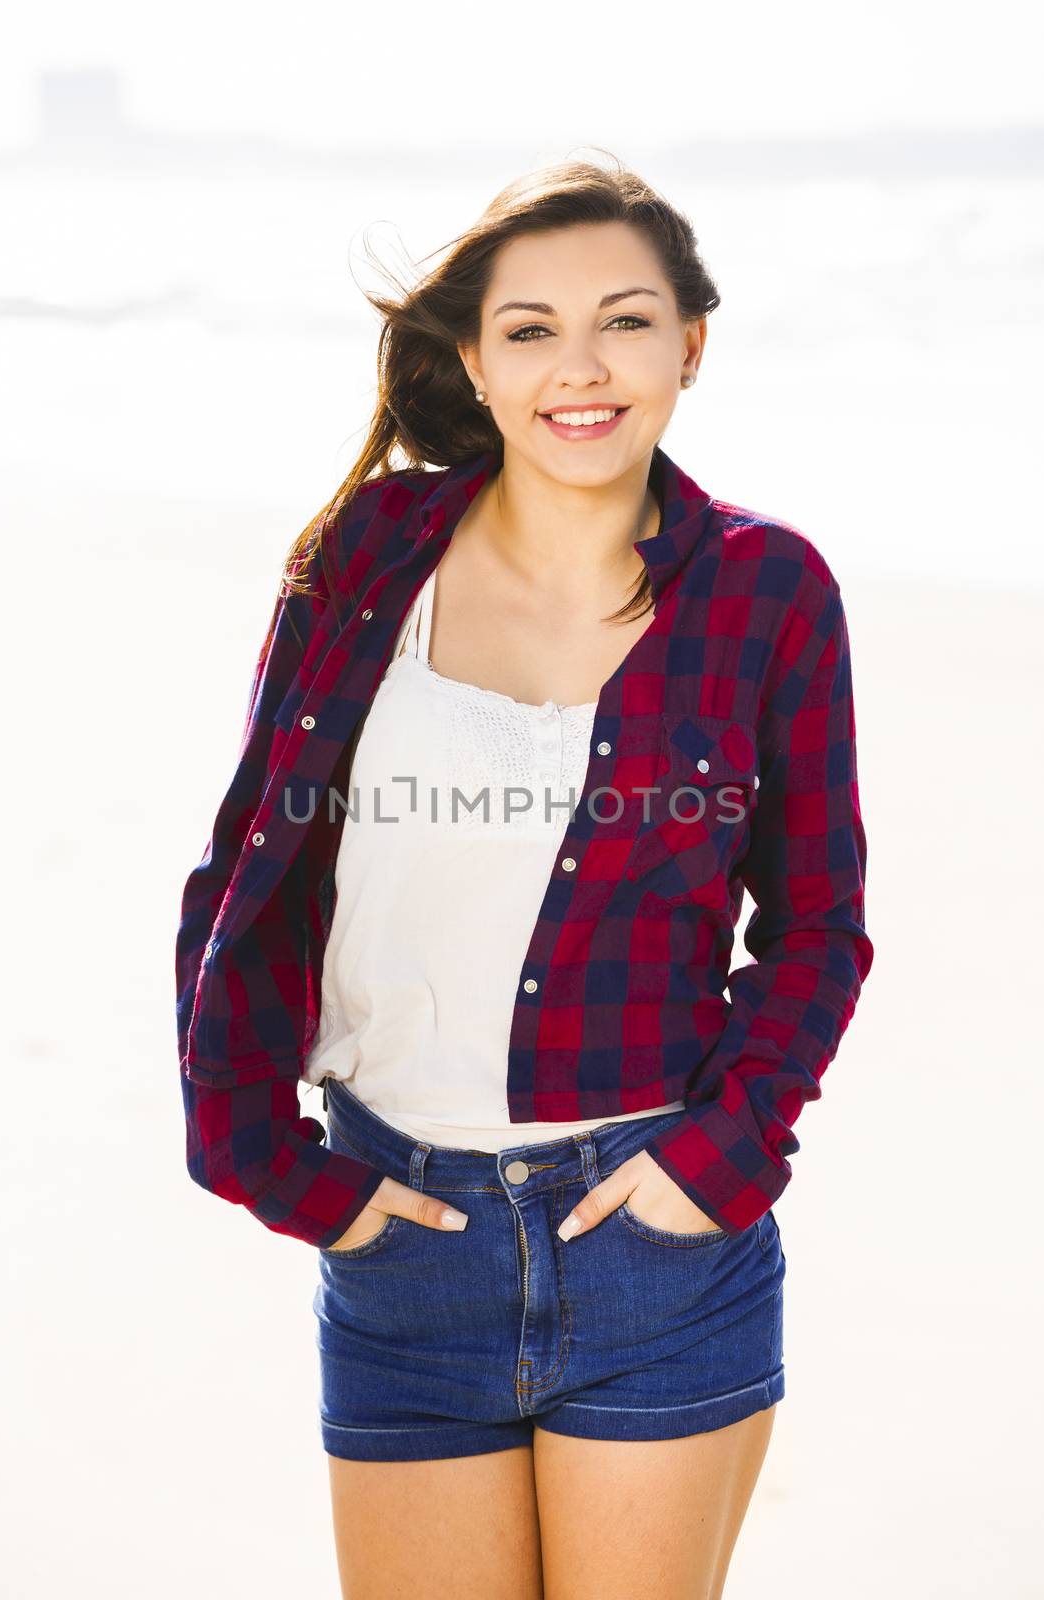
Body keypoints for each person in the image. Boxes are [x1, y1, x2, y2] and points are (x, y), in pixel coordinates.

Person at [175, 154, 873, 1600]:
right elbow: (253, 864)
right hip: (398, 1236)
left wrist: (722, 1155)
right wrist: (254, 1149)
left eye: (625, 321)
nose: (582, 368)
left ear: (690, 342)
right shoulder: (367, 557)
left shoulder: (767, 588)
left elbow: (816, 922)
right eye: (529, 328)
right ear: (474, 364)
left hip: (651, 1239)